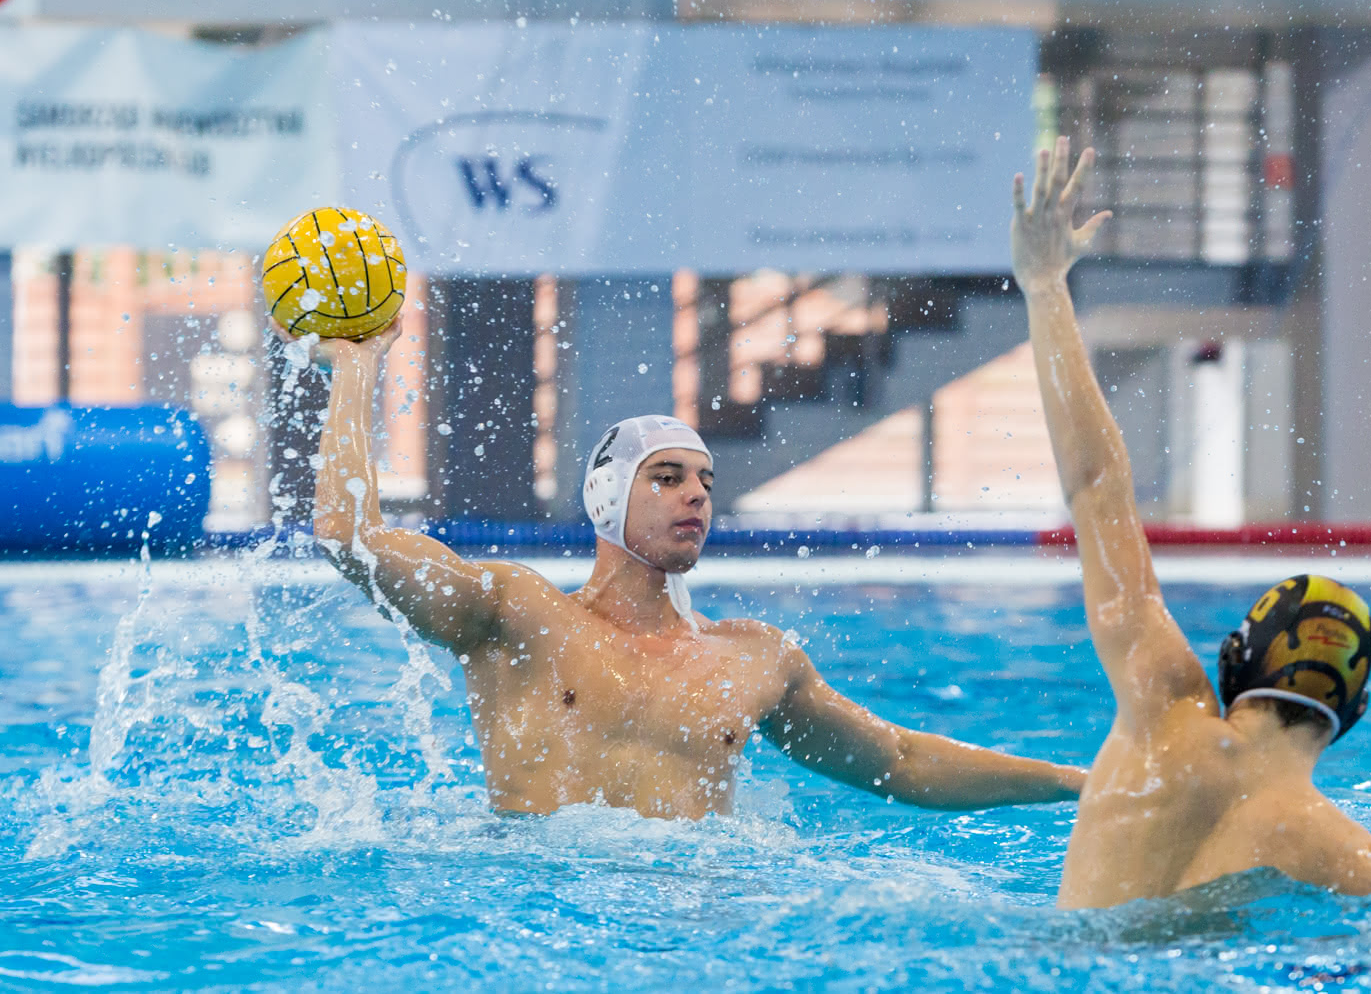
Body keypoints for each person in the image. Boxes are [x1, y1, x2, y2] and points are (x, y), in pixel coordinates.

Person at [286, 323, 1085, 820]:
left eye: (704, 480)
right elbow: (349, 535)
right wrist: (357, 367)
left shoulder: (755, 659)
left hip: (697, 929)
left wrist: (1076, 780)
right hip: (543, 926)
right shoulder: (518, 614)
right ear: (606, 496)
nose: (696, 495)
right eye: (666, 478)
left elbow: (900, 762)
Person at [1010, 136, 1371, 907]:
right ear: (1353, 713)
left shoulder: (1163, 702)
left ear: (1233, 661)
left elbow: (1097, 486)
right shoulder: (1352, 857)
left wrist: (1045, 285)